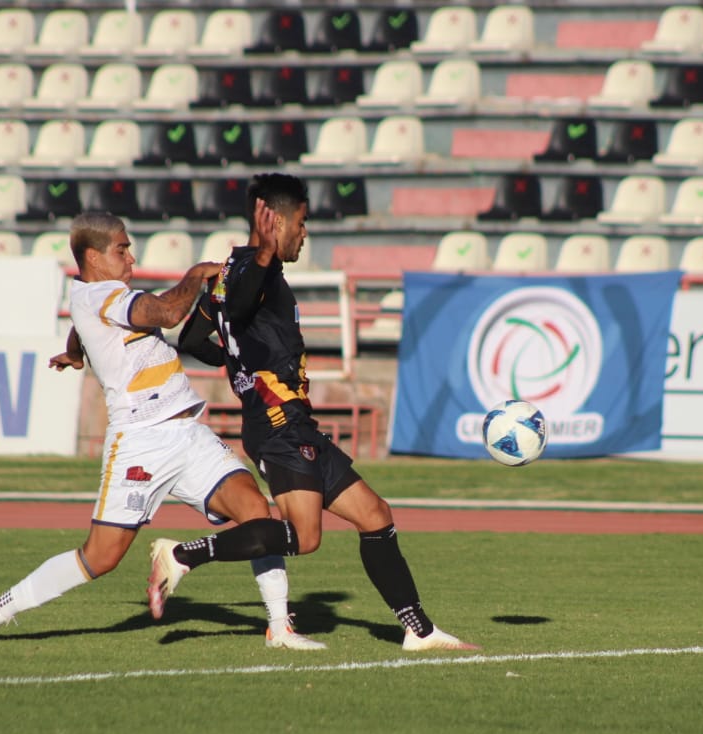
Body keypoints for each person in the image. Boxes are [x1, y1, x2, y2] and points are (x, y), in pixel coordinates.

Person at [0, 211, 324, 651]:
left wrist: (76, 352)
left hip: (186, 432)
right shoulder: (103, 295)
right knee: (100, 557)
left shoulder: (91, 297)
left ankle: (279, 627)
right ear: (93, 257)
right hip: (140, 441)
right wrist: (194, 275)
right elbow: (168, 313)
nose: (131, 257)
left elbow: (81, 327)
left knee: (257, 511)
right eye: (122, 249)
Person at [158, 173, 478, 652]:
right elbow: (239, 305)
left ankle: (419, 630)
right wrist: (264, 259)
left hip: (294, 422)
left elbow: (191, 339)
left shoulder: (229, 271)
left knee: (375, 514)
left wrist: (242, 362)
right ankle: (184, 554)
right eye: (302, 223)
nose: (305, 234)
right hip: (278, 425)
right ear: (277, 223)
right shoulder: (255, 271)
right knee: (304, 537)